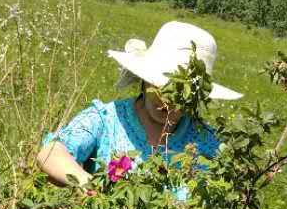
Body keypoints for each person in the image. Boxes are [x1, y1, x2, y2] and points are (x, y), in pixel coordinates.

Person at [37, 20, 242, 199]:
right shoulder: (107, 119)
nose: (167, 101)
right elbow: (52, 153)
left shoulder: (208, 144)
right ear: (144, 79)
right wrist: (86, 183)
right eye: (161, 86)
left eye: (181, 94)